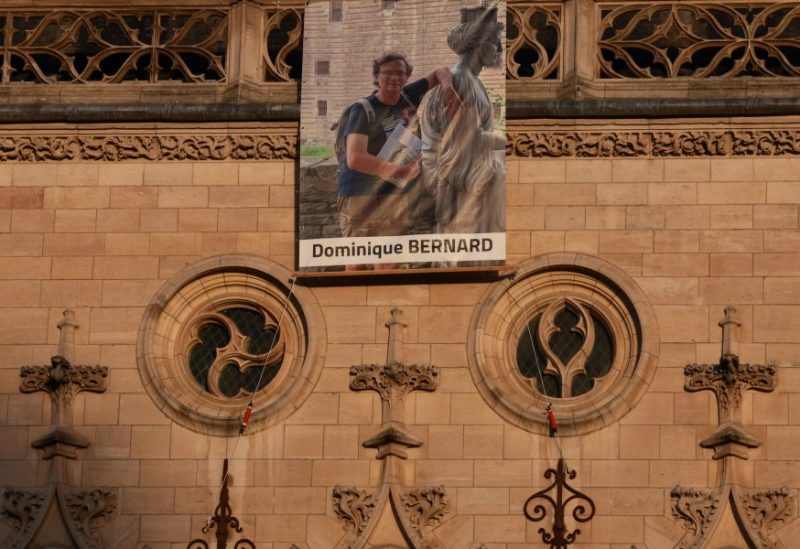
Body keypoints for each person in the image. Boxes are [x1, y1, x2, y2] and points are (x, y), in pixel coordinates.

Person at [337, 52, 461, 270]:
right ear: (377, 77)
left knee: (389, 264)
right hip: (359, 195)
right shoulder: (363, 108)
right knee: (356, 265)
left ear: (407, 77)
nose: (394, 78)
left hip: (392, 195)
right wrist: (399, 171)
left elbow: (441, 72)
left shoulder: (408, 96)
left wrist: (448, 88)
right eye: (387, 73)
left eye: (400, 73)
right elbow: (355, 158)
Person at [418, 5, 506, 238]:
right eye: (494, 40)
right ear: (478, 42)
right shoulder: (460, 80)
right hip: (453, 176)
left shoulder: (470, 80)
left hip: (466, 166)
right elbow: (462, 141)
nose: (499, 48)